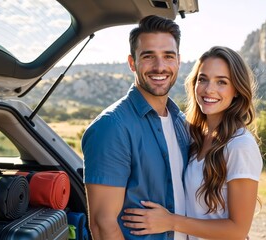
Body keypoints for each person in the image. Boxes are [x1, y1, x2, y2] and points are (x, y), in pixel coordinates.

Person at [122, 46, 263, 240]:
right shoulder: (194, 135)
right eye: (202, 79)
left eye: (221, 82)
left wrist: (170, 221)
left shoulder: (240, 145)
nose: (209, 89)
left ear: (237, 90)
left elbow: (237, 231)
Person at [81, 15, 189, 240]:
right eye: (148, 56)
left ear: (178, 61)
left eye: (168, 56)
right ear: (132, 62)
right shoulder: (111, 127)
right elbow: (102, 225)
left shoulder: (181, 121)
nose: (160, 67)